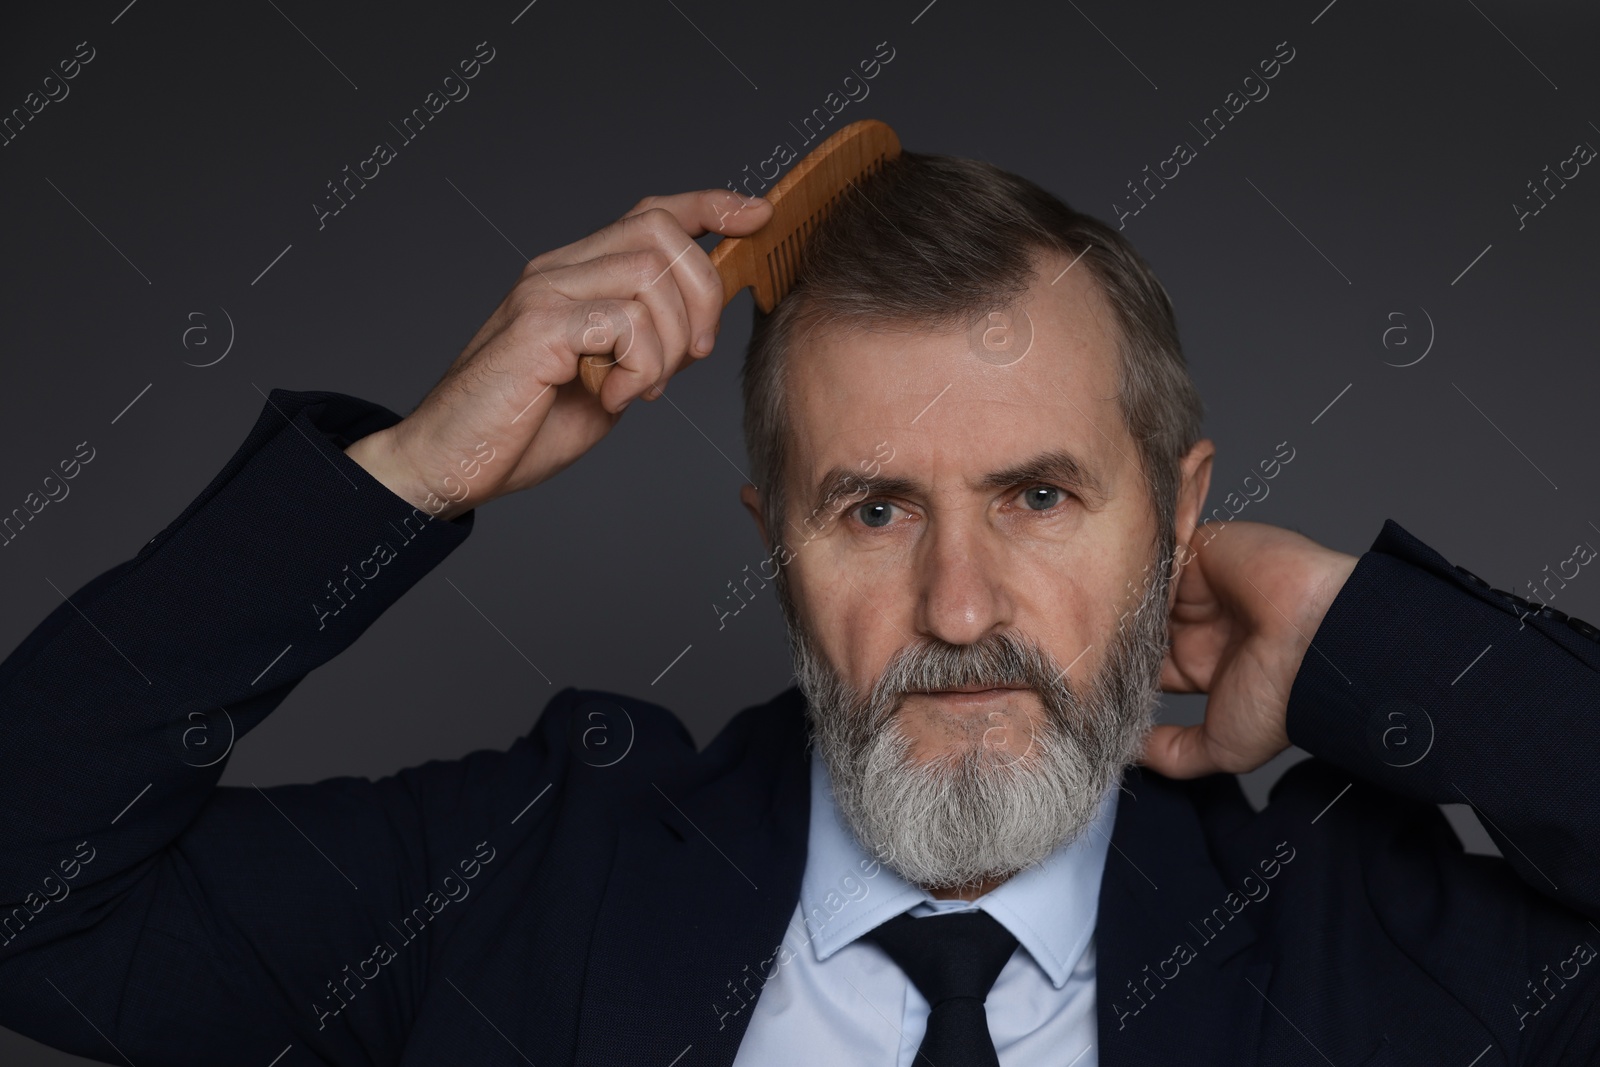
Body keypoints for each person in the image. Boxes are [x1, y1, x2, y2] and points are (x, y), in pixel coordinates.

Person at [0, 151, 1596, 1067]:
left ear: (1176, 519)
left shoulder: (1369, 945)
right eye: (875, 508)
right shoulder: (522, 880)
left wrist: (1368, 635)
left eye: (1040, 497)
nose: (959, 605)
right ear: (776, 541)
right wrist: (413, 471)